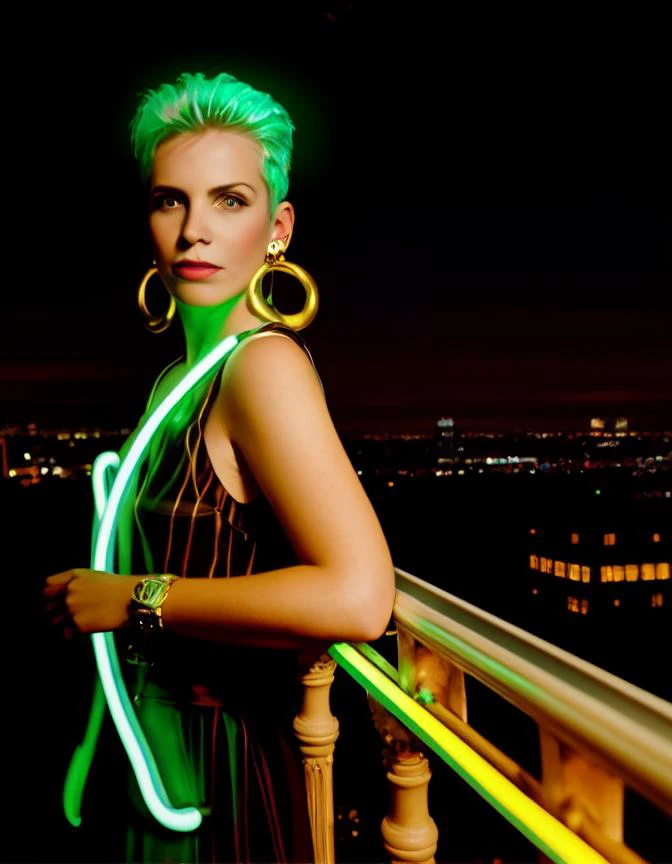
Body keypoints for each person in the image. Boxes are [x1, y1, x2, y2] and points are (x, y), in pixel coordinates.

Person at [43, 70, 395, 863]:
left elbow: (360, 594)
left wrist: (130, 598)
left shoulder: (263, 368)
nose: (194, 229)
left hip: (220, 771)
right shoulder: (181, 376)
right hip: (153, 756)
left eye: (229, 201)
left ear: (279, 227)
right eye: (172, 200)